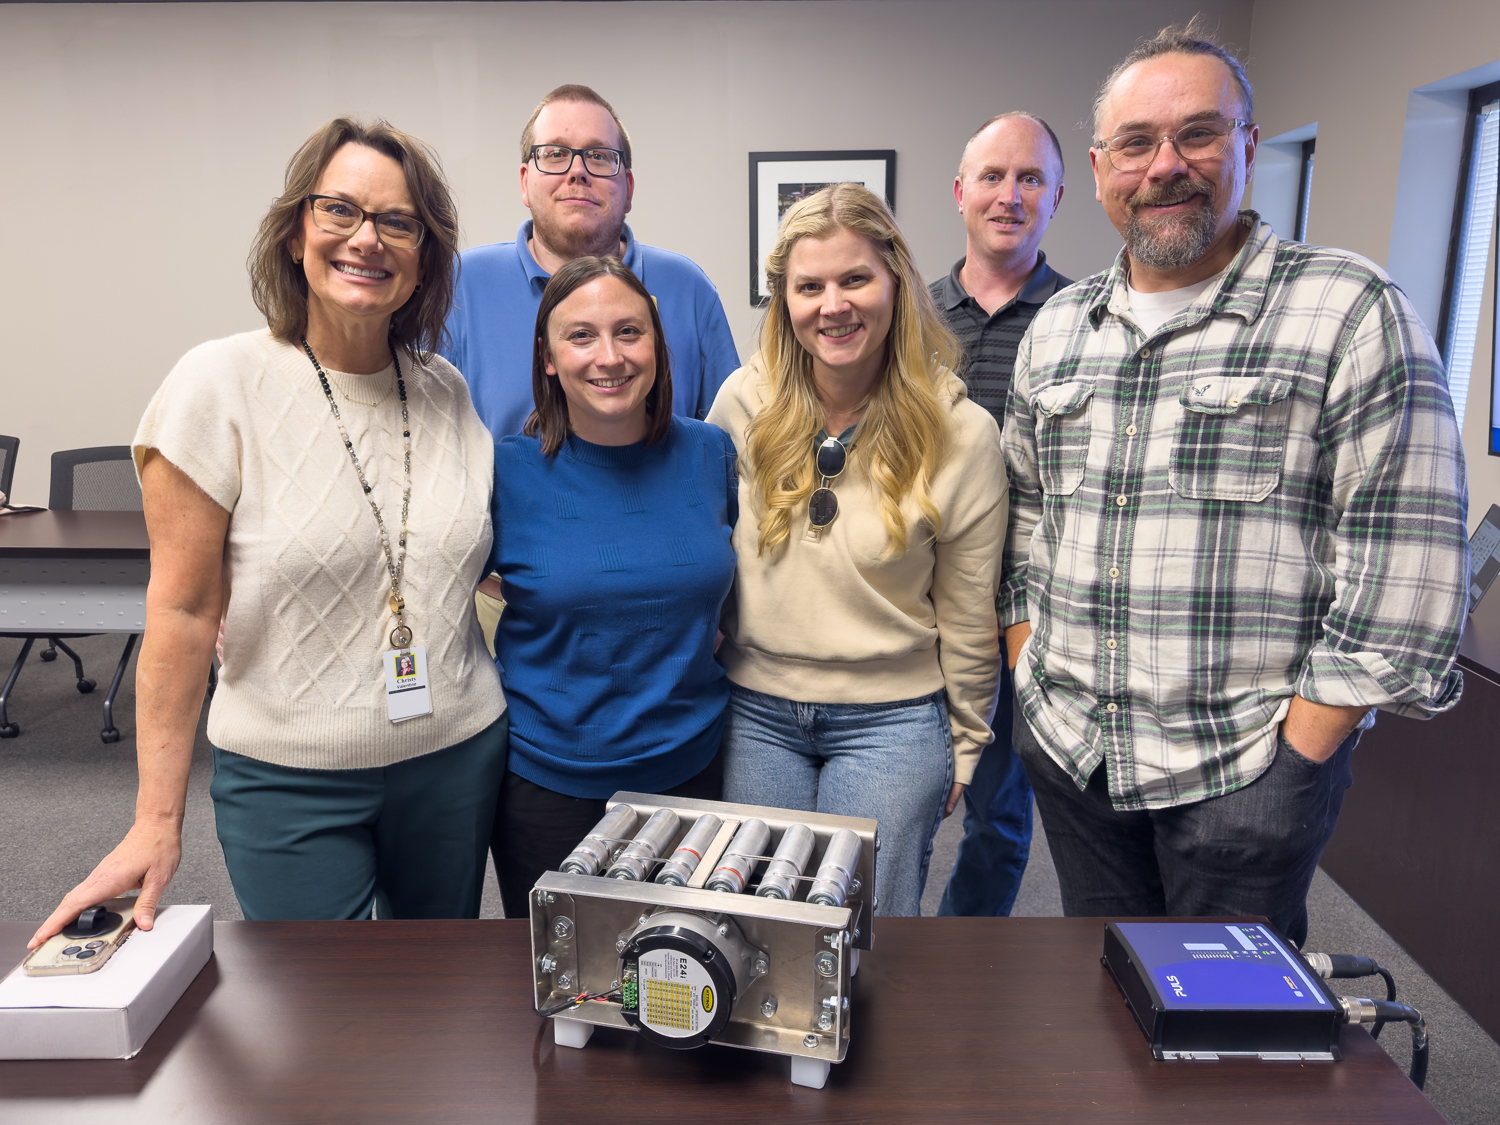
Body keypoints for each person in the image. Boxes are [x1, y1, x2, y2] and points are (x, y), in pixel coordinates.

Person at [1003, 22, 1470, 947]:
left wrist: (1300, 755)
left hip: (1242, 771)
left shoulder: (1347, 309)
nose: (1166, 165)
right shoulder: (1057, 328)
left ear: (1248, 148)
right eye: (1137, 142)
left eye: (1199, 134)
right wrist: (1027, 664)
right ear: (1098, 170)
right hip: (1074, 755)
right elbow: (1026, 521)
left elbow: (1408, 568)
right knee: (1094, 1003)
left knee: (1229, 1048)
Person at [30, 118, 506, 949]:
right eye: (340, 211)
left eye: (399, 222)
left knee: (437, 1007)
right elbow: (178, 615)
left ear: (424, 255)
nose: (368, 239)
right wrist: (154, 817)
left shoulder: (447, 392)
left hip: (455, 754)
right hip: (291, 776)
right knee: (323, 1028)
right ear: (295, 232)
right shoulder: (218, 385)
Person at [708, 183, 1006, 919]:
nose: (832, 304)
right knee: (756, 923)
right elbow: (701, 557)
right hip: (757, 711)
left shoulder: (960, 432)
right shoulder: (743, 403)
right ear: (784, 300)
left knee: (861, 929)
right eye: (809, 286)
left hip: (893, 719)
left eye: (855, 279)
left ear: (896, 283)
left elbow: (969, 610)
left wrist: (968, 738)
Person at [488, 256, 737, 918]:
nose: (609, 356)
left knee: (689, 978)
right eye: (581, 336)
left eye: (629, 332)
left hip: (693, 771)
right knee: (571, 991)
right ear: (547, 357)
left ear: (657, 344)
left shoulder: (712, 454)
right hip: (547, 782)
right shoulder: (505, 472)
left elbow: (737, 586)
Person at [929, 111, 1072, 919]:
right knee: (896, 778)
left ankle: (961, 946)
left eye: (1029, 180)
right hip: (916, 594)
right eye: (992, 177)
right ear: (960, 193)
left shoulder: (1084, 320)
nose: (1008, 195)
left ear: (1056, 196)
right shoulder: (912, 316)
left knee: (997, 805)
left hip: (1024, 604)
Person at [444, 84, 740, 440]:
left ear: (628, 188)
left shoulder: (689, 289)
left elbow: (730, 447)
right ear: (525, 183)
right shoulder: (460, 286)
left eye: (599, 156)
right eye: (554, 154)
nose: (577, 171)